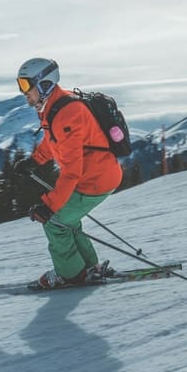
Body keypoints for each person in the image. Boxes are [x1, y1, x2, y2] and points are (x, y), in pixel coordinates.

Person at [13, 57, 124, 289]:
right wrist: (34, 161)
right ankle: (88, 267)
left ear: (43, 83)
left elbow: (72, 172)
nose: (23, 92)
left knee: (55, 223)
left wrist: (49, 206)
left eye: (26, 85)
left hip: (95, 180)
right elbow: (52, 142)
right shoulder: (53, 107)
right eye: (20, 85)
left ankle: (71, 274)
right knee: (69, 221)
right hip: (95, 176)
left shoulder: (67, 113)